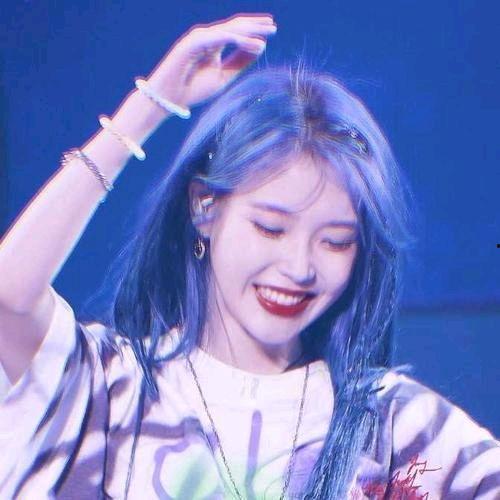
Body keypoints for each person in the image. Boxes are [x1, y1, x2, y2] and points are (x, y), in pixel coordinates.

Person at [0, 12, 498, 500]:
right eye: (270, 228)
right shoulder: (111, 388)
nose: (299, 268)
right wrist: (149, 106)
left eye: (335, 241)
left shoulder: (394, 427)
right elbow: (9, 297)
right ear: (204, 208)